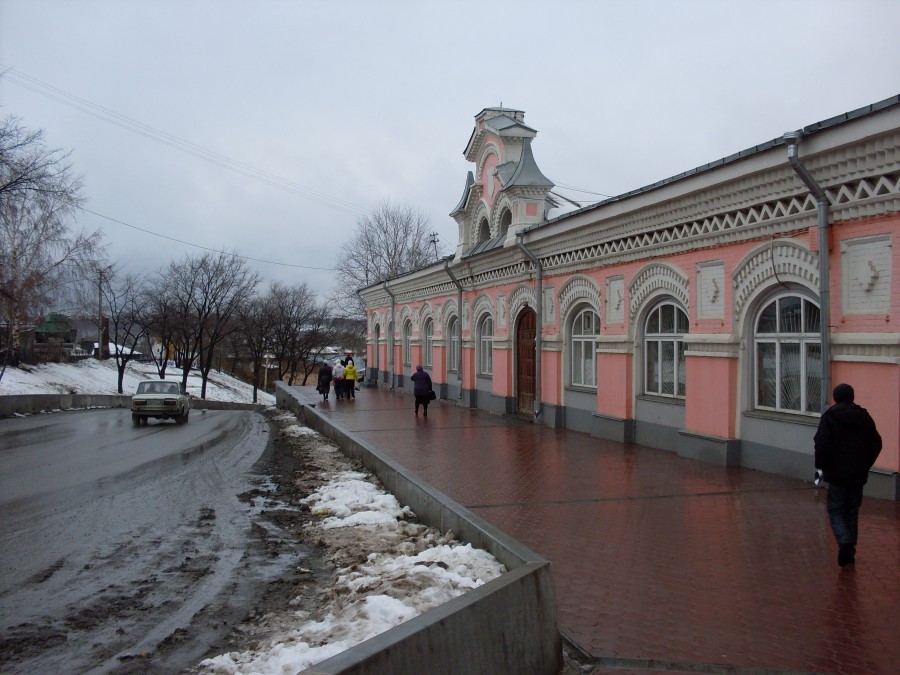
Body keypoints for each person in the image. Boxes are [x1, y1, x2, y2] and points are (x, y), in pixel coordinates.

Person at [814, 383, 882, 567]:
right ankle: (850, 548)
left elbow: (821, 445)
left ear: (835, 397)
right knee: (852, 510)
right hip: (857, 474)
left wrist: (821, 466)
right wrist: (865, 464)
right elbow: (876, 443)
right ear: (852, 396)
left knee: (836, 509)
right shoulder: (864, 417)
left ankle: (844, 541)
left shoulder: (830, 418)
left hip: (836, 473)